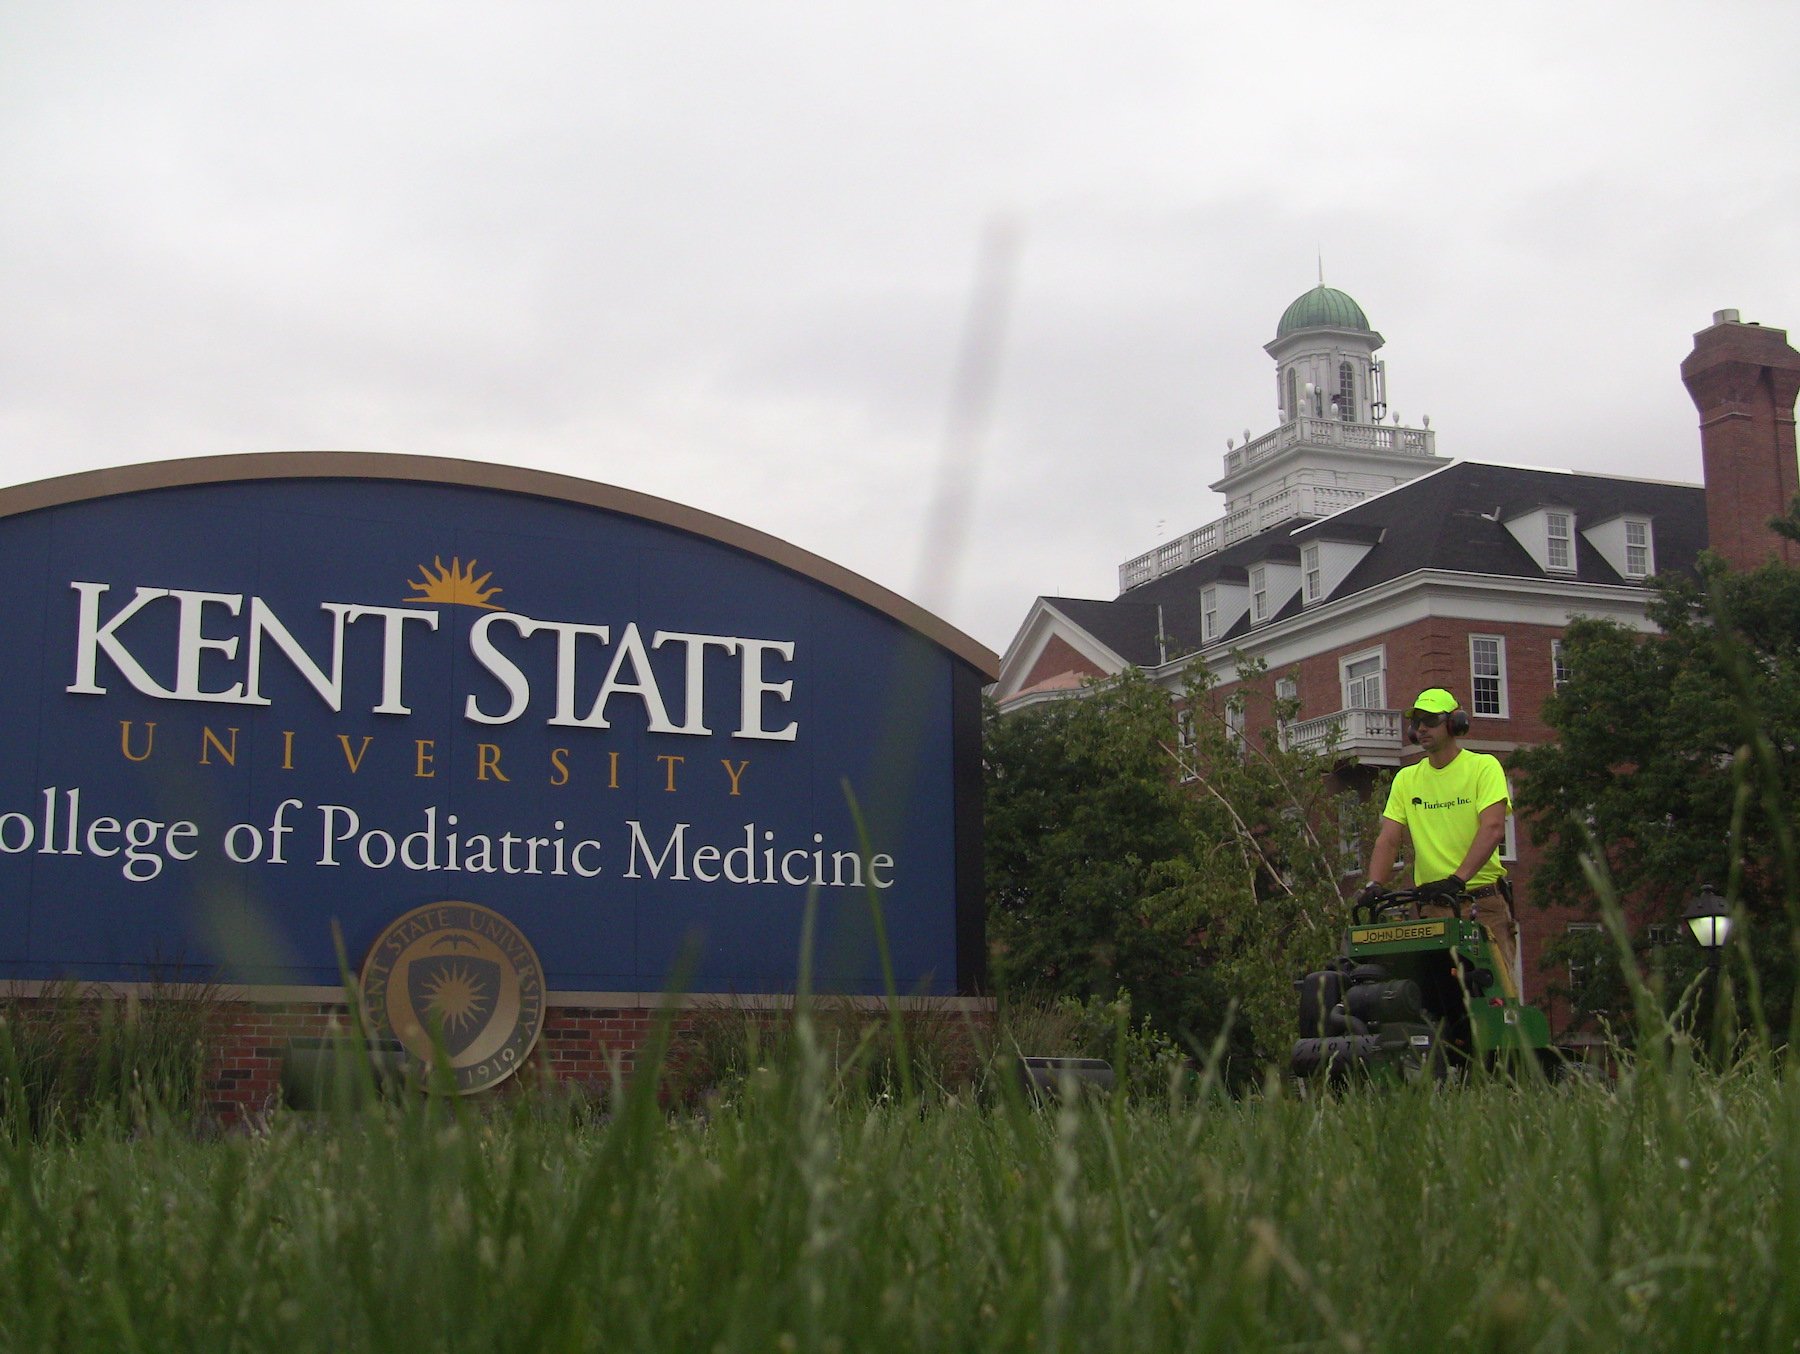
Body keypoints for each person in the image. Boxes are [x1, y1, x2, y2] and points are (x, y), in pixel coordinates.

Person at [1356, 688, 1520, 996]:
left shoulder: (1483, 768)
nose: (1421, 728)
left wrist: (1458, 879)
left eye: (1430, 720)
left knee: (1496, 998)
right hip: (1431, 910)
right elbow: (1389, 838)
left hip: (1481, 905)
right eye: (1416, 722)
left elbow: (1494, 828)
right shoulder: (1407, 779)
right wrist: (1374, 884)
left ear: (1455, 724)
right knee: (1437, 1002)